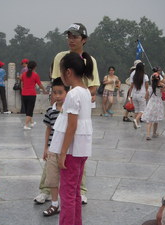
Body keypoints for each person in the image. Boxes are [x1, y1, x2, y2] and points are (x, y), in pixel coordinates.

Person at [45, 51, 93, 225]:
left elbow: (71, 126)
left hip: (72, 151)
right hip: (81, 149)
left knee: (67, 191)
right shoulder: (85, 91)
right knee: (74, 191)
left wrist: (62, 152)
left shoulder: (73, 94)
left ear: (68, 72)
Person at [50, 23, 100, 205]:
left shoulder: (89, 60)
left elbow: (93, 86)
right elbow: (57, 82)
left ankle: (79, 190)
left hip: (79, 110)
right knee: (53, 148)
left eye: (75, 36)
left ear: (84, 40)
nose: (71, 40)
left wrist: (81, 95)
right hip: (62, 107)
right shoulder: (60, 57)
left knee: (76, 155)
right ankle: (49, 189)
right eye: (69, 36)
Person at [42, 77, 69, 216]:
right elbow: (48, 129)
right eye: (55, 93)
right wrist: (46, 148)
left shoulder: (70, 111)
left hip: (66, 151)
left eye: (60, 92)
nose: (57, 96)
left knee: (66, 179)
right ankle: (54, 204)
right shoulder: (50, 111)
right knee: (52, 178)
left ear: (67, 93)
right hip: (52, 149)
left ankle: (66, 204)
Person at [141, 72, 165, 140]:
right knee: (156, 119)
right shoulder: (160, 87)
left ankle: (148, 135)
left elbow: (146, 97)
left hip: (151, 103)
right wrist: (162, 85)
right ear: (158, 80)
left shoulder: (150, 87)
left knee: (149, 120)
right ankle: (154, 133)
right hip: (158, 103)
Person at [21, 60, 47, 130]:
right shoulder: (35, 75)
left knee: (27, 110)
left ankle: (31, 122)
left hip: (24, 94)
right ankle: (26, 125)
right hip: (31, 94)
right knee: (30, 110)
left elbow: (22, 84)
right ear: (34, 67)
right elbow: (40, 84)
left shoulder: (23, 74)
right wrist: (44, 90)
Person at [129, 62, 149, 129]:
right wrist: (147, 93)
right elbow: (146, 86)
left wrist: (129, 95)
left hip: (134, 94)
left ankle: (137, 124)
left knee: (136, 110)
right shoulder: (145, 76)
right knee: (142, 110)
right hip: (142, 94)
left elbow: (131, 86)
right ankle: (136, 120)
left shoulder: (134, 76)